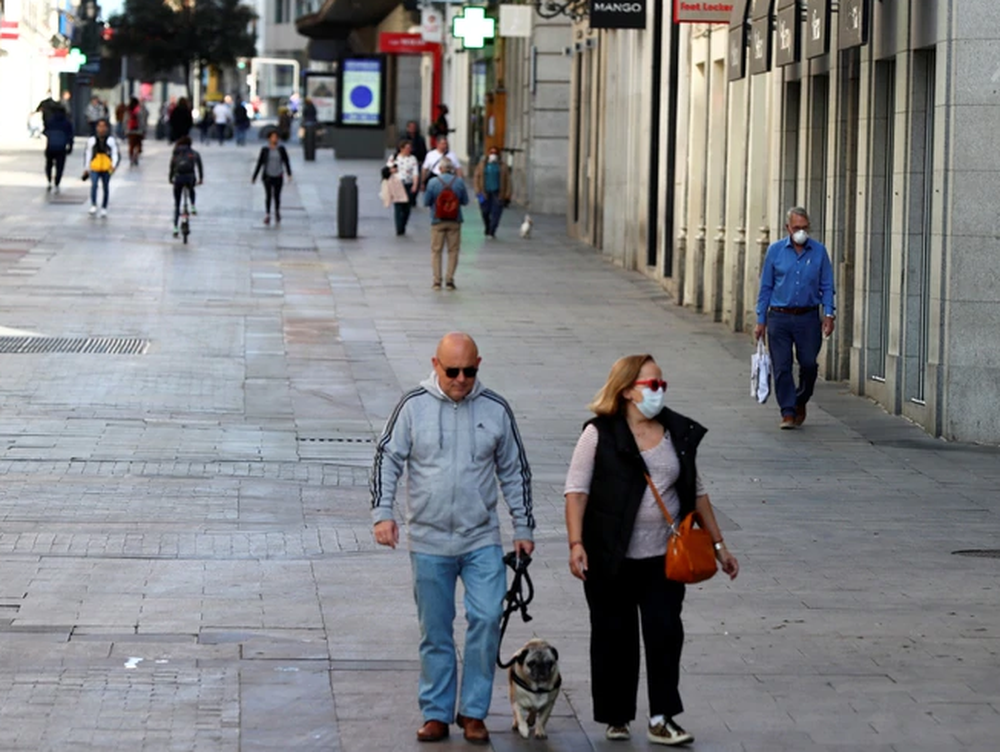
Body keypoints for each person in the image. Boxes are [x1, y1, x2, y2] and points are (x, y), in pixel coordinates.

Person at [564, 354, 739, 746]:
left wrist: (719, 545)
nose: (660, 391)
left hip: (664, 558)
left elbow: (697, 491)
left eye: (663, 384)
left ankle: (662, 717)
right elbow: (576, 493)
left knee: (665, 634)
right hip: (610, 556)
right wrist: (576, 544)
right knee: (614, 637)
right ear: (627, 390)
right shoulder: (598, 434)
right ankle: (617, 716)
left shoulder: (677, 432)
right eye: (651, 385)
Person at [370, 331, 535, 745]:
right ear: (434, 364)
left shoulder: (496, 408)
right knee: (435, 630)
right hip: (428, 541)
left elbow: (515, 471)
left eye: (470, 371)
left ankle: (474, 712)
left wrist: (523, 528)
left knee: (485, 620)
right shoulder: (413, 407)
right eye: (452, 371)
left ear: (480, 364)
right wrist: (382, 514)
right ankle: (437, 712)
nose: (461, 379)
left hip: (481, 539)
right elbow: (387, 458)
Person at [754, 206, 836, 430]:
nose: (801, 232)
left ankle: (801, 398)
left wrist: (829, 314)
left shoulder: (819, 252)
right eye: (797, 228)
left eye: (804, 228)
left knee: (808, 364)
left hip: (808, 317)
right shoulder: (775, 251)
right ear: (787, 228)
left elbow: (827, 285)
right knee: (782, 366)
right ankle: (788, 411)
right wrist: (761, 320)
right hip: (779, 317)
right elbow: (766, 287)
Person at [423, 158, 469, 290]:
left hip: (437, 220)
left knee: (436, 251)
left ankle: (437, 281)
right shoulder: (459, 182)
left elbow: (426, 202)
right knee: (453, 250)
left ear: (441, 169)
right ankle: (450, 280)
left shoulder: (432, 182)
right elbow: (465, 201)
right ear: (452, 169)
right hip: (454, 220)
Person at [252, 130, 292, 226]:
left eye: (276, 137)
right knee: (268, 195)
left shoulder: (281, 149)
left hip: (278, 175)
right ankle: (268, 214)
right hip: (267, 176)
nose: (275, 139)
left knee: (277, 196)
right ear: (269, 138)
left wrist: (289, 174)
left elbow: (286, 162)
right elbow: (260, 163)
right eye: (273, 137)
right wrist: (254, 176)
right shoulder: (265, 149)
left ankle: (277, 212)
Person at [82, 119, 120, 218]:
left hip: (107, 167)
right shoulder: (92, 140)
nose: (101, 129)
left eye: (103, 126)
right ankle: (93, 204)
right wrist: (87, 168)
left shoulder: (111, 140)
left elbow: (115, 153)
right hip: (95, 167)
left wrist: (114, 165)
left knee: (105, 187)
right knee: (94, 185)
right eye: (99, 126)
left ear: (107, 128)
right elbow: (88, 154)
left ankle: (104, 207)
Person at [472, 146, 512, 239]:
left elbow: (508, 180)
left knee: (496, 213)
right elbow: (476, 178)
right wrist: (478, 191)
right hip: (483, 193)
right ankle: (487, 226)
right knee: (484, 211)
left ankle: (492, 231)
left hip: (498, 193)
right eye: (491, 152)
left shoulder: (502, 166)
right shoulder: (482, 164)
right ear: (488, 154)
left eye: (495, 153)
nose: (493, 155)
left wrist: (507, 194)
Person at [168, 136, 204, 237]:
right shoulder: (193, 153)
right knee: (191, 188)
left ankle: (175, 228)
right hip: (189, 178)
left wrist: (170, 178)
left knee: (177, 205)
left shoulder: (176, 153)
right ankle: (192, 206)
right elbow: (200, 166)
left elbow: (171, 167)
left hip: (178, 179)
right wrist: (201, 178)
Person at [385, 139, 420, 235]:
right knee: (398, 206)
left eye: (410, 148)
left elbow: (415, 173)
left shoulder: (413, 159)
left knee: (407, 207)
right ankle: (399, 228)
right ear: (401, 148)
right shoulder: (394, 157)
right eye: (407, 148)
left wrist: (415, 185)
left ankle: (403, 223)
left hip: (408, 183)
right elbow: (387, 169)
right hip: (397, 183)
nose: (409, 150)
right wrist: (391, 171)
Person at [43, 106, 74, 195]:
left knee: (49, 164)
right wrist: (70, 146)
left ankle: (49, 179)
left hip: (50, 147)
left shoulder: (50, 121)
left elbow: (45, 132)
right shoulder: (67, 122)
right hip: (61, 148)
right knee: (59, 166)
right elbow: (70, 135)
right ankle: (57, 182)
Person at [125, 97, 145, 166]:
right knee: (137, 145)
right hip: (138, 131)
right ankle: (135, 157)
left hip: (130, 131)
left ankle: (131, 158)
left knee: (131, 145)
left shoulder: (128, 110)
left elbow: (125, 121)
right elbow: (142, 121)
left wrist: (126, 130)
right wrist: (143, 130)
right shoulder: (139, 110)